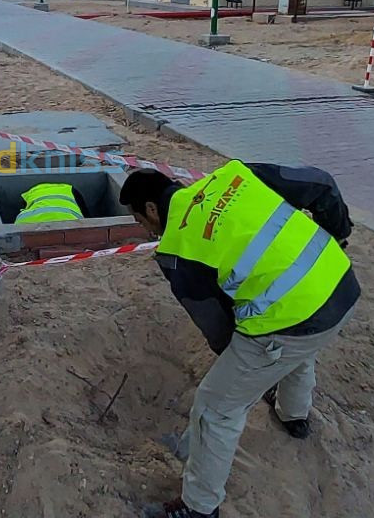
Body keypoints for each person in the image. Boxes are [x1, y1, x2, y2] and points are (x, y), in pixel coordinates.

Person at [119, 160, 360, 518]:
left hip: (296, 320)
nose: (145, 231)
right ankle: (295, 416)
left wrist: (241, 370)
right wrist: (337, 236)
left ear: (152, 209)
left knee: (216, 407)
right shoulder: (234, 176)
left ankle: (199, 508)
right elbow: (321, 182)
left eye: (141, 221)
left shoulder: (176, 248)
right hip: (340, 285)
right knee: (292, 342)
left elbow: (215, 325)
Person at [15, 181, 86, 224]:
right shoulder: (69, 190)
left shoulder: (28, 195)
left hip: (24, 225)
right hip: (72, 223)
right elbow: (87, 216)